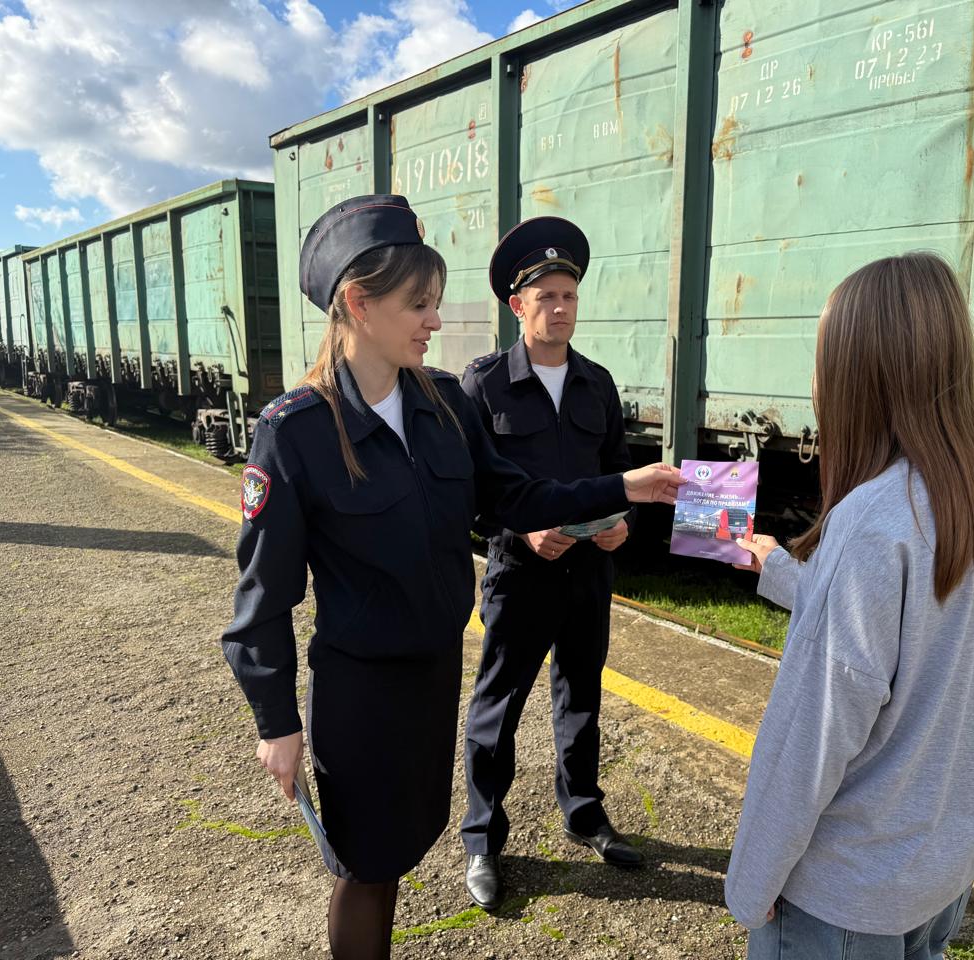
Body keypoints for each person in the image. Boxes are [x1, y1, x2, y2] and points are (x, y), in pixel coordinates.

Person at [220, 195, 682, 960]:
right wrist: (275, 720)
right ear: (358, 304)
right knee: (366, 869)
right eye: (419, 305)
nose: (435, 321)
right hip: (361, 692)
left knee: (403, 847)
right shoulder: (294, 431)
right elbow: (262, 598)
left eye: (434, 304)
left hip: (434, 675)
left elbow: (518, 495)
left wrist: (623, 487)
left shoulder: (442, 407)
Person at [724, 252, 974, 960]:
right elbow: (909, 649)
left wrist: (751, 880)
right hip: (933, 875)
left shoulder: (872, 520)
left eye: (824, 356)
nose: (814, 380)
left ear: (861, 371)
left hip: (841, 896)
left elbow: (811, 737)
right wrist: (777, 567)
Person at [458, 217, 641, 912]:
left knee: (582, 697)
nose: (560, 307)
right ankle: (482, 836)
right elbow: (467, 492)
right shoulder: (483, 388)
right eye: (547, 296)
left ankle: (585, 811)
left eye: (569, 294)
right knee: (496, 708)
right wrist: (521, 531)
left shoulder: (597, 385)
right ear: (518, 305)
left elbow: (617, 472)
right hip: (520, 573)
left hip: (589, 574)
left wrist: (623, 524)